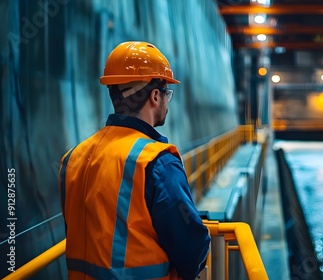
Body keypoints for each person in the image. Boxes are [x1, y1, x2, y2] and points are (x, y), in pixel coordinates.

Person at [58, 41, 211, 280]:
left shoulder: (72, 157)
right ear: (155, 96)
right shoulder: (156, 161)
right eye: (167, 94)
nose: (167, 102)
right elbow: (191, 243)